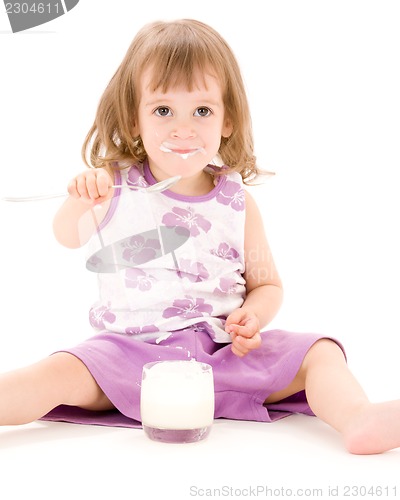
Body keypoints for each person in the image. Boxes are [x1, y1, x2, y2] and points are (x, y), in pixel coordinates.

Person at [1, 19, 399, 455]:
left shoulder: (236, 201)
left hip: (224, 357)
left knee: (319, 353)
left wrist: (253, 317)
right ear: (134, 119)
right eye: (163, 110)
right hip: (132, 356)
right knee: (56, 372)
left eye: (203, 111)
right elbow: (67, 236)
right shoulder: (115, 186)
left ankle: (358, 417)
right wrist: (81, 198)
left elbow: (266, 283)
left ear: (228, 121)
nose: (183, 128)